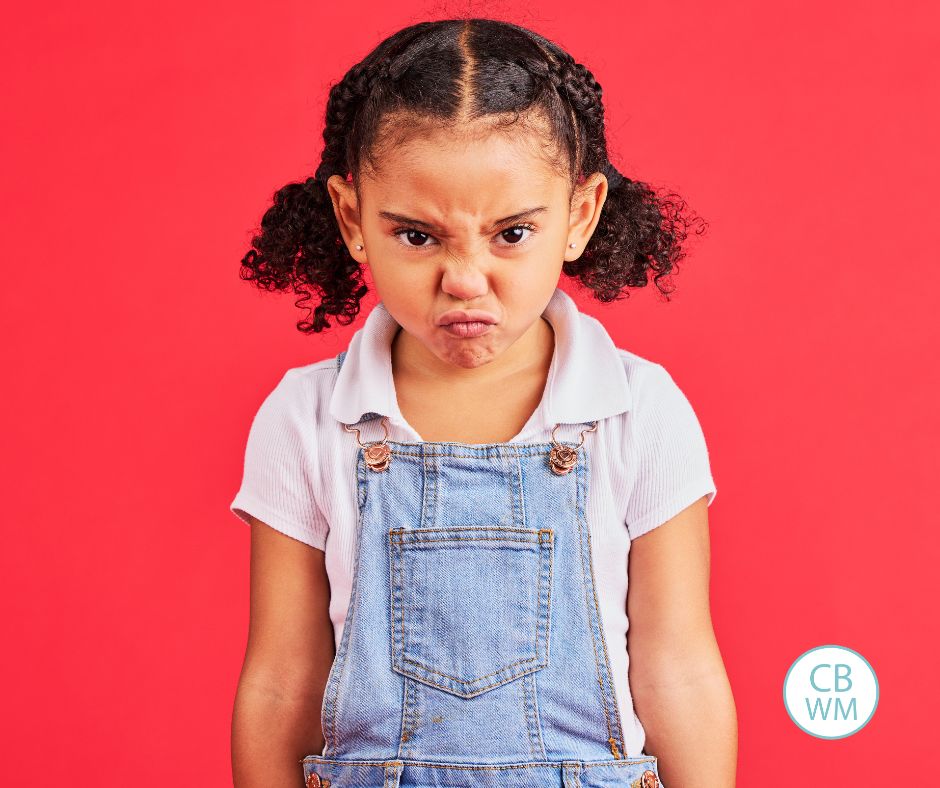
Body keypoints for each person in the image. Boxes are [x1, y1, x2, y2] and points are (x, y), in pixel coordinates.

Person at [229, 18, 737, 788]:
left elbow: (679, 671)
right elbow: (282, 681)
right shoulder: (306, 417)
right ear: (352, 218)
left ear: (579, 214)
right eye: (418, 236)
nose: (465, 278)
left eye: (511, 233)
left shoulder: (639, 410)